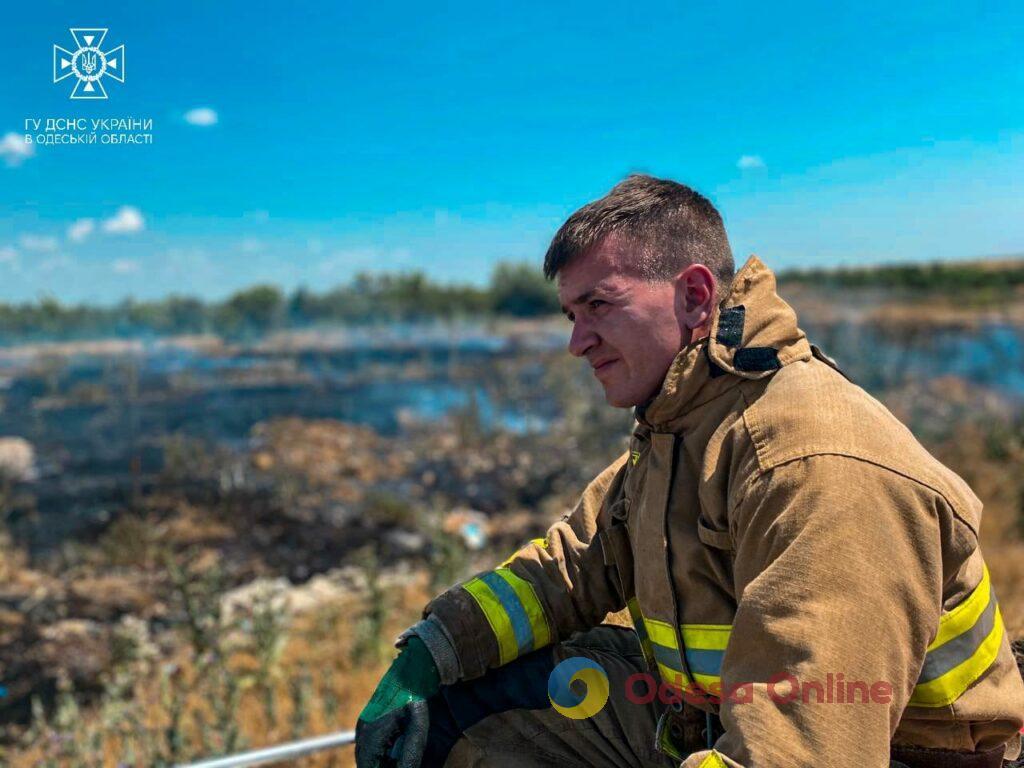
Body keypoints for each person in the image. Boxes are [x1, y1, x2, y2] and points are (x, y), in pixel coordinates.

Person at [355, 174, 1024, 768]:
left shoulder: (812, 464)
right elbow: (570, 568)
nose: (575, 341)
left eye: (599, 306)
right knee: (469, 705)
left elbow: (804, 750)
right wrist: (433, 650)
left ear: (695, 297)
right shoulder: (682, 426)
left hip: (896, 752)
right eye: (571, 314)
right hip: (702, 723)